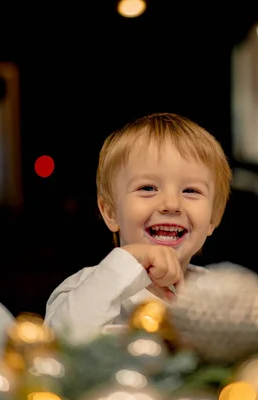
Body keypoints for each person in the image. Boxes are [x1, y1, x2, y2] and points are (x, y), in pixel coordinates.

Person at [45, 112, 232, 343]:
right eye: (148, 188)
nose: (171, 204)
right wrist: (127, 261)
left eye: (191, 191)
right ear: (110, 212)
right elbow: (58, 343)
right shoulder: (88, 288)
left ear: (213, 218)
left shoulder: (218, 296)